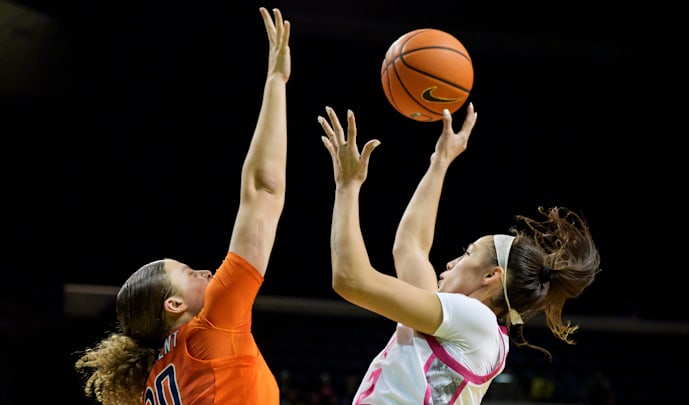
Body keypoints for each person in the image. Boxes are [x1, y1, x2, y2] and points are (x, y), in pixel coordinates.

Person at [74, 7, 291, 405]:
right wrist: (276, 80)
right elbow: (263, 190)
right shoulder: (210, 326)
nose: (206, 271)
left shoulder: (158, 381)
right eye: (190, 272)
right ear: (174, 305)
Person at [318, 104, 601, 404]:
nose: (452, 262)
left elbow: (351, 280)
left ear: (492, 275)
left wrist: (347, 187)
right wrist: (440, 160)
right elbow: (410, 247)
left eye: (467, 253)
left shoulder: (475, 319)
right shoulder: (461, 324)